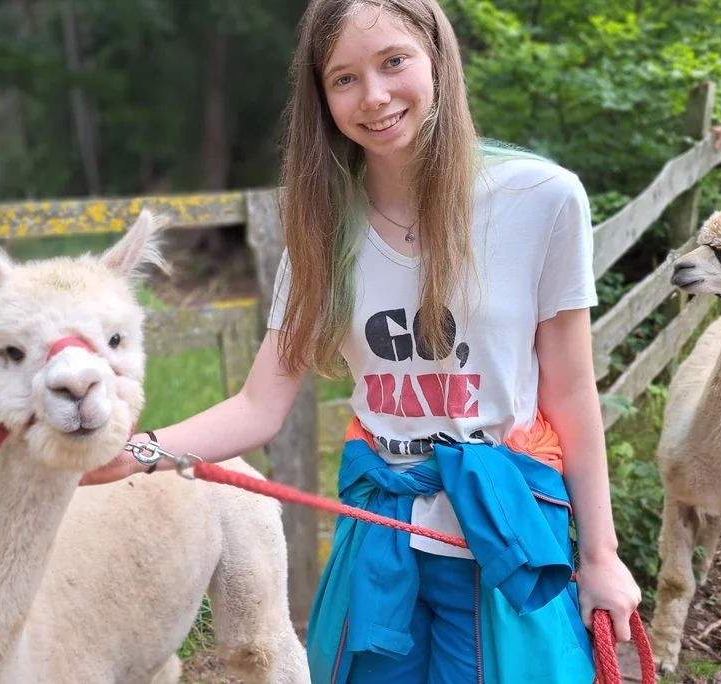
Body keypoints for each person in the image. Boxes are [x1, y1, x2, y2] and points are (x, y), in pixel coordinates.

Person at [80, 0, 642, 681]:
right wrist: (135, 453)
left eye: (394, 62)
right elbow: (260, 404)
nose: (373, 97)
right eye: (344, 78)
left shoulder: (542, 199)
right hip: (383, 530)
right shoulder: (322, 231)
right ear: (322, 95)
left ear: (437, 57)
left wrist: (601, 557)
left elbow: (571, 391)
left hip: (504, 529)